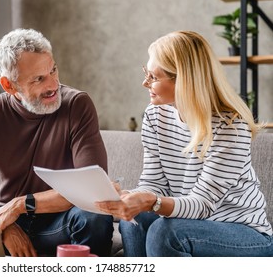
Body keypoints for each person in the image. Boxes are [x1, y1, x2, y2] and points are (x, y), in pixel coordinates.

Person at [96, 30, 273, 257]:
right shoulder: (154, 115)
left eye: (154, 77)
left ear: (184, 81)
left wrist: (152, 202)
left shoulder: (231, 126)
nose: (145, 83)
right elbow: (153, 183)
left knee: (164, 232)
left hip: (245, 234)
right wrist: (129, 198)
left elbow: (202, 204)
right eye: (146, 73)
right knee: (135, 220)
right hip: (189, 223)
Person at [0, 28, 114, 257]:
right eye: (39, 79)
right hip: (4, 219)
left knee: (95, 216)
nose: (53, 85)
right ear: (9, 85)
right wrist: (4, 226)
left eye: (53, 70)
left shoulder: (77, 105)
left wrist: (20, 205)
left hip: (59, 222)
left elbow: (91, 190)